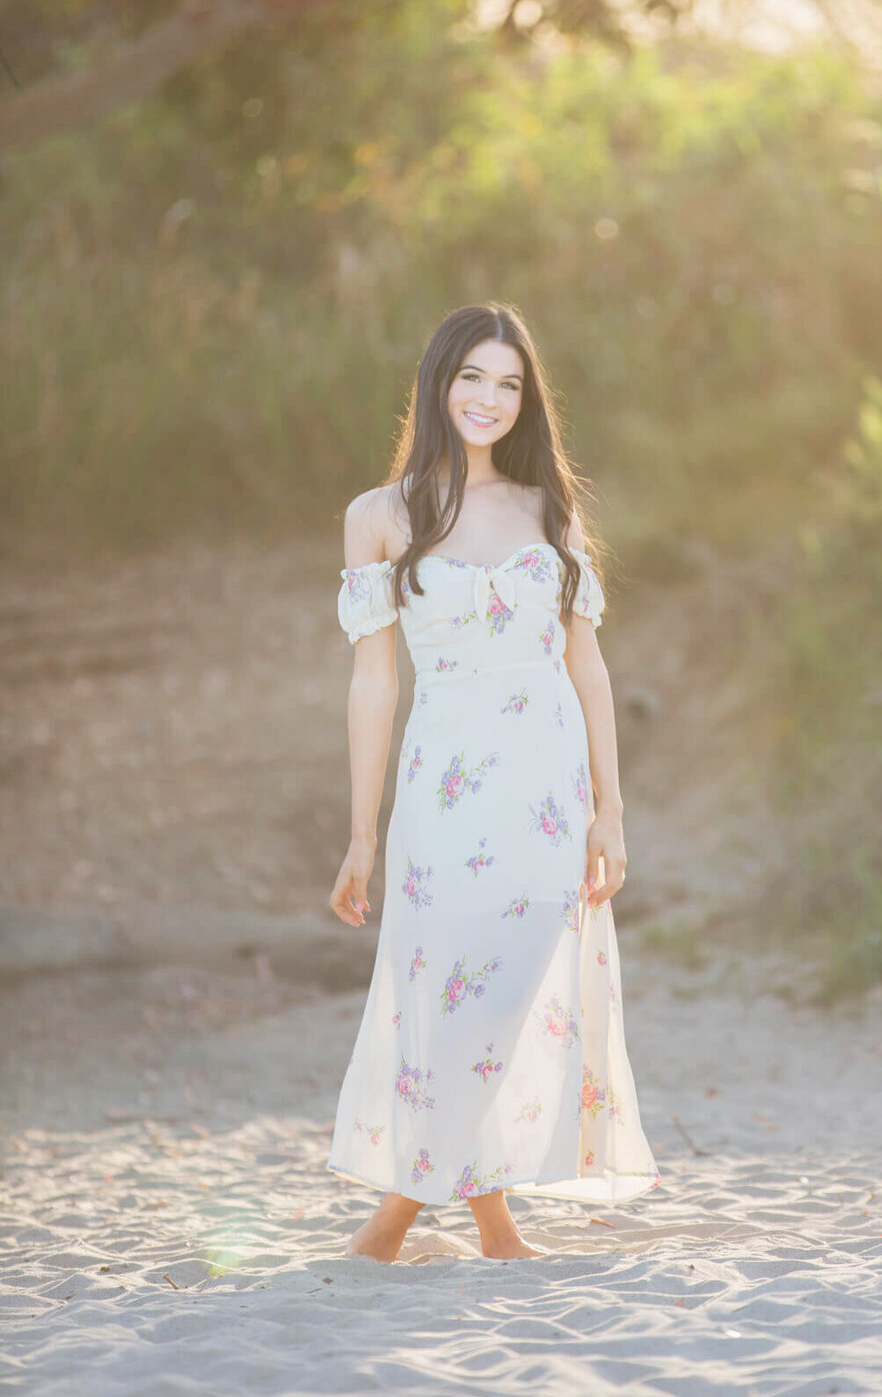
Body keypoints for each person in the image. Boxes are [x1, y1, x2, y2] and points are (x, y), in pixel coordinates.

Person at [326, 302, 660, 1261]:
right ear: (438, 383)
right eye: (473, 377)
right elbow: (373, 681)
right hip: (445, 782)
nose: (490, 398)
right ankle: (483, 1219)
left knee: (516, 984)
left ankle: (403, 1217)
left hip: (545, 783)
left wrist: (611, 810)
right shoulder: (379, 518)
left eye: (510, 383)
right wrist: (363, 832)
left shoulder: (548, 508)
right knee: (448, 988)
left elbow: (587, 666)